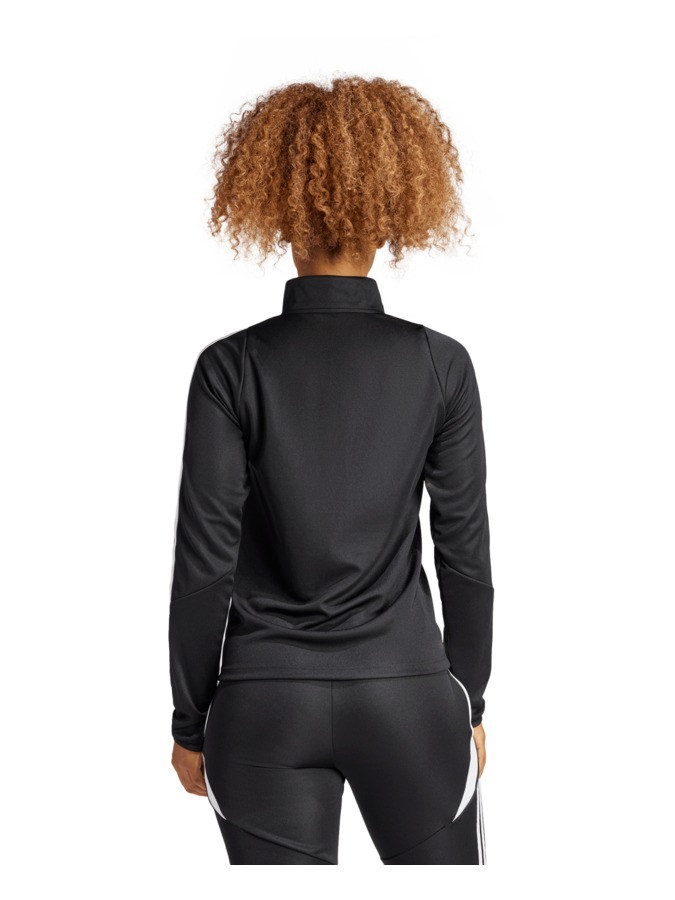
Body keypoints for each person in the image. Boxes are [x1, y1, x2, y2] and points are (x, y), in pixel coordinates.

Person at [168, 75, 494, 865]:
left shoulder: (228, 368)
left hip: (262, 705)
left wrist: (190, 721)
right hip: (409, 698)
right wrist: (469, 699)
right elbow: (463, 557)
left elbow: (204, 567)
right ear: (389, 213)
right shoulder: (440, 364)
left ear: (278, 212)